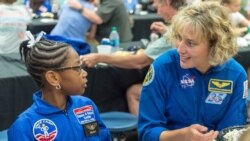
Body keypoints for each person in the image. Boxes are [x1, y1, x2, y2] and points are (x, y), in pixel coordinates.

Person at [138, 2, 248, 141]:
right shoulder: (163, 67)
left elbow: (233, 132)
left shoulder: (236, 74)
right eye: (179, 38)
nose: (180, 49)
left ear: (215, 45)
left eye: (190, 43)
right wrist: (181, 136)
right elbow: (147, 132)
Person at [80, 0, 186, 116]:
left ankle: (145, 130)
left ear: (167, 3)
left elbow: (139, 62)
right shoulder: (184, 25)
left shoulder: (173, 35)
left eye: (157, 4)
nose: (157, 10)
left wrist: (98, 58)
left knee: (133, 92)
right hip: (186, 80)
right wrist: (166, 30)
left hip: (180, 85)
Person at [7, 31, 111, 141]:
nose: (85, 73)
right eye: (77, 68)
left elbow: (102, 137)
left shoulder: (86, 105)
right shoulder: (25, 126)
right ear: (53, 78)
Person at [68, 0, 133, 42]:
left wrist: (79, 7)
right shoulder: (103, 2)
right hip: (109, 38)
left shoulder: (112, 1)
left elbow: (98, 19)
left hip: (117, 41)